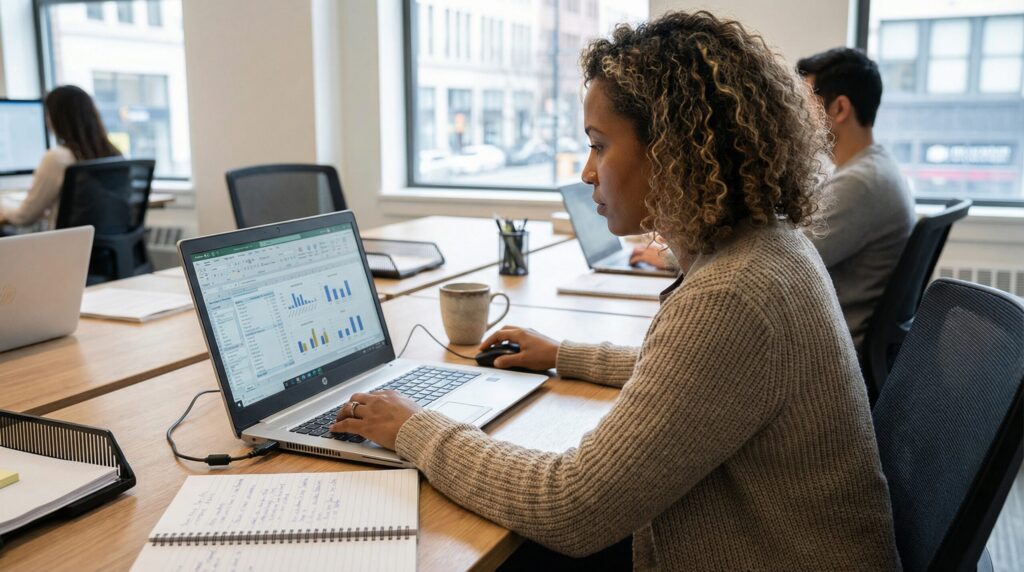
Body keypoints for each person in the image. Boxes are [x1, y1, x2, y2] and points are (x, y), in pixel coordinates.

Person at [332, 11, 899, 570]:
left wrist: (413, 428)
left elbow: (570, 507)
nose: (587, 172)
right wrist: (563, 355)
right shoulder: (766, 246)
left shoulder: (732, 295)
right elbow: (689, 376)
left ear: (673, 149)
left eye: (599, 145)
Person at [797, 48, 915, 352]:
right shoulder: (876, 167)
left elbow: (786, 261)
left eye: (805, 105)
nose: (798, 117)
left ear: (839, 108)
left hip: (835, 351)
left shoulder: (861, 184)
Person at [0, 85, 122, 229]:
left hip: (69, 242)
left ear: (56, 118)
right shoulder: (115, 155)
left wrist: (2, 205)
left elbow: (24, 217)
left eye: (48, 115)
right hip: (103, 243)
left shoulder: (57, 158)